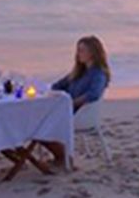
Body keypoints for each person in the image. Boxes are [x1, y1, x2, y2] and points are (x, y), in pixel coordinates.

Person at [43, 35, 111, 165]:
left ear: (92, 53)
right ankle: (59, 155)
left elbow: (94, 94)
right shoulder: (79, 72)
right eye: (78, 50)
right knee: (36, 119)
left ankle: (61, 156)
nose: (78, 54)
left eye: (82, 50)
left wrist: (70, 103)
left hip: (79, 115)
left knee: (39, 124)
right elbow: (57, 85)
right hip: (66, 110)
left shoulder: (98, 74)